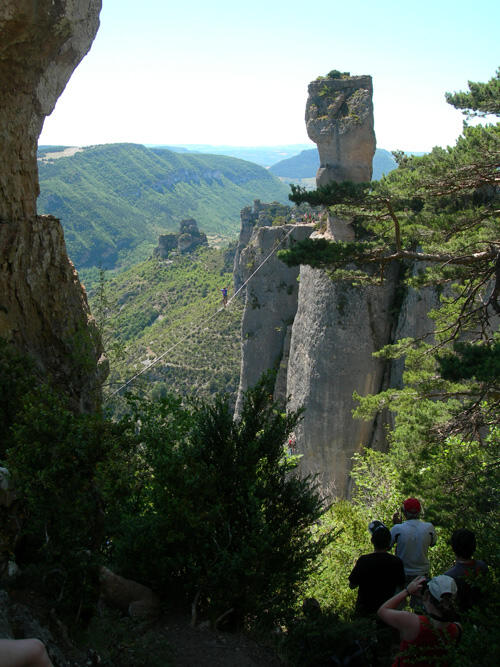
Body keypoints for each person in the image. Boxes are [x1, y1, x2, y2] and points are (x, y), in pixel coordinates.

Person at [378, 574, 462, 667]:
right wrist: (425, 598)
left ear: (427, 595)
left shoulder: (412, 622)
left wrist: (407, 591)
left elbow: (382, 611)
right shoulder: (456, 629)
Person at [349, 522, 405, 616]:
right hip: (387, 613)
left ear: (372, 541)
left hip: (364, 611)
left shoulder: (363, 560)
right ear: (389, 542)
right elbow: (401, 587)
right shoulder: (397, 562)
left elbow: (352, 585)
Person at [391, 498, 436, 605]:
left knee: (397, 607)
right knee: (421, 609)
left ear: (404, 512)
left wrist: (396, 525)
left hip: (402, 574)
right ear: (419, 511)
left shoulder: (397, 529)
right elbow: (433, 543)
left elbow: (388, 545)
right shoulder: (429, 527)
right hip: (422, 574)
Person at [444, 528, 488, 611]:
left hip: (460, 616)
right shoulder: (482, 566)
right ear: (474, 546)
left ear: (453, 548)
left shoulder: (449, 576)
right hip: (483, 612)